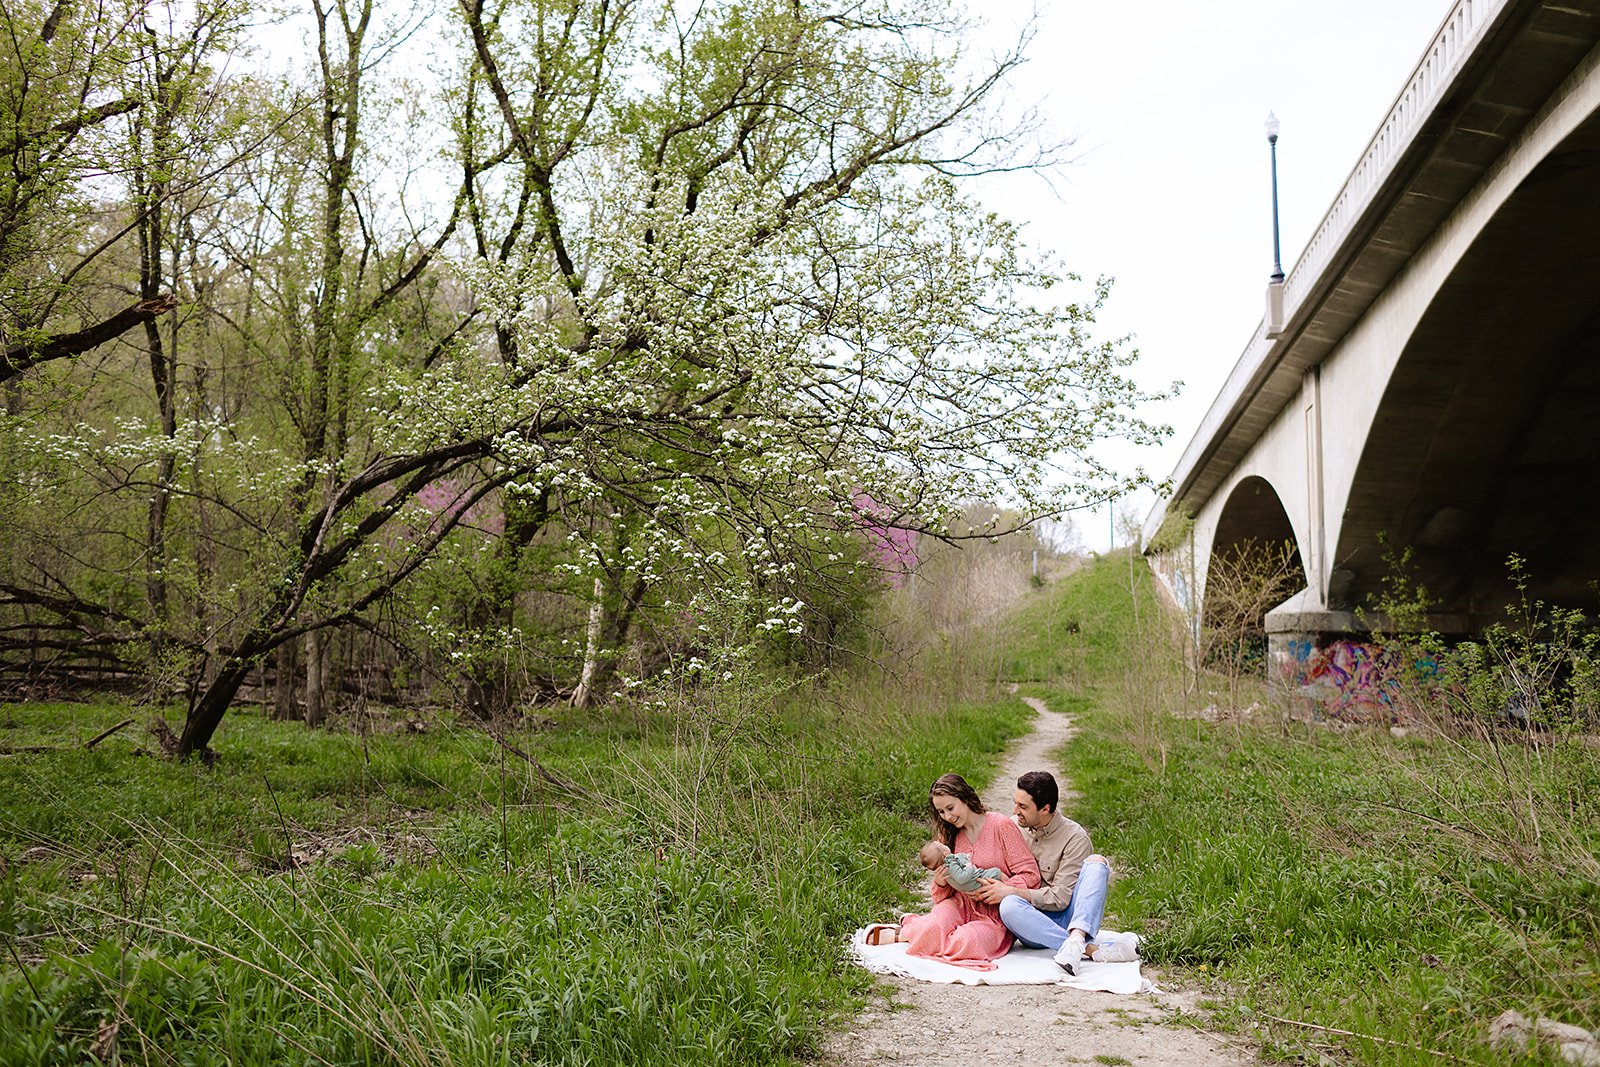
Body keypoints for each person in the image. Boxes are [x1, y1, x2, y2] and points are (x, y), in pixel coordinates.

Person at [863, 773, 1040, 969]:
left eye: (950, 808)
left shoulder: (1001, 825)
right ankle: (920, 930)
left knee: (967, 941)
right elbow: (941, 896)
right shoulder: (948, 834)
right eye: (940, 812)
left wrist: (1003, 889)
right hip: (958, 904)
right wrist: (940, 883)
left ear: (964, 797)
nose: (947, 817)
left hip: (993, 915)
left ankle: (909, 932)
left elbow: (1031, 875)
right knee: (933, 926)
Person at [969, 770, 1114, 974]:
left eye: (1023, 806)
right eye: (1015, 803)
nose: (1015, 810)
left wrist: (1012, 891)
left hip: (1067, 917)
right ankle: (1086, 949)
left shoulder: (1075, 838)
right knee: (1009, 905)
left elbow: (1061, 898)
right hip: (1030, 923)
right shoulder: (1011, 827)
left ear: (1045, 809)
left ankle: (1077, 937)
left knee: (1097, 863)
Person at [917, 839, 1002, 894]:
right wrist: (969, 866)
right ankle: (1009, 884)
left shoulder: (947, 864)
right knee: (996, 872)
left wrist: (966, 856)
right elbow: (962, 877)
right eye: (943, 845)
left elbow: (958, 857)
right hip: (976, 881)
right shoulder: (950, 865)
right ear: (945, 852)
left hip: (973, 885)